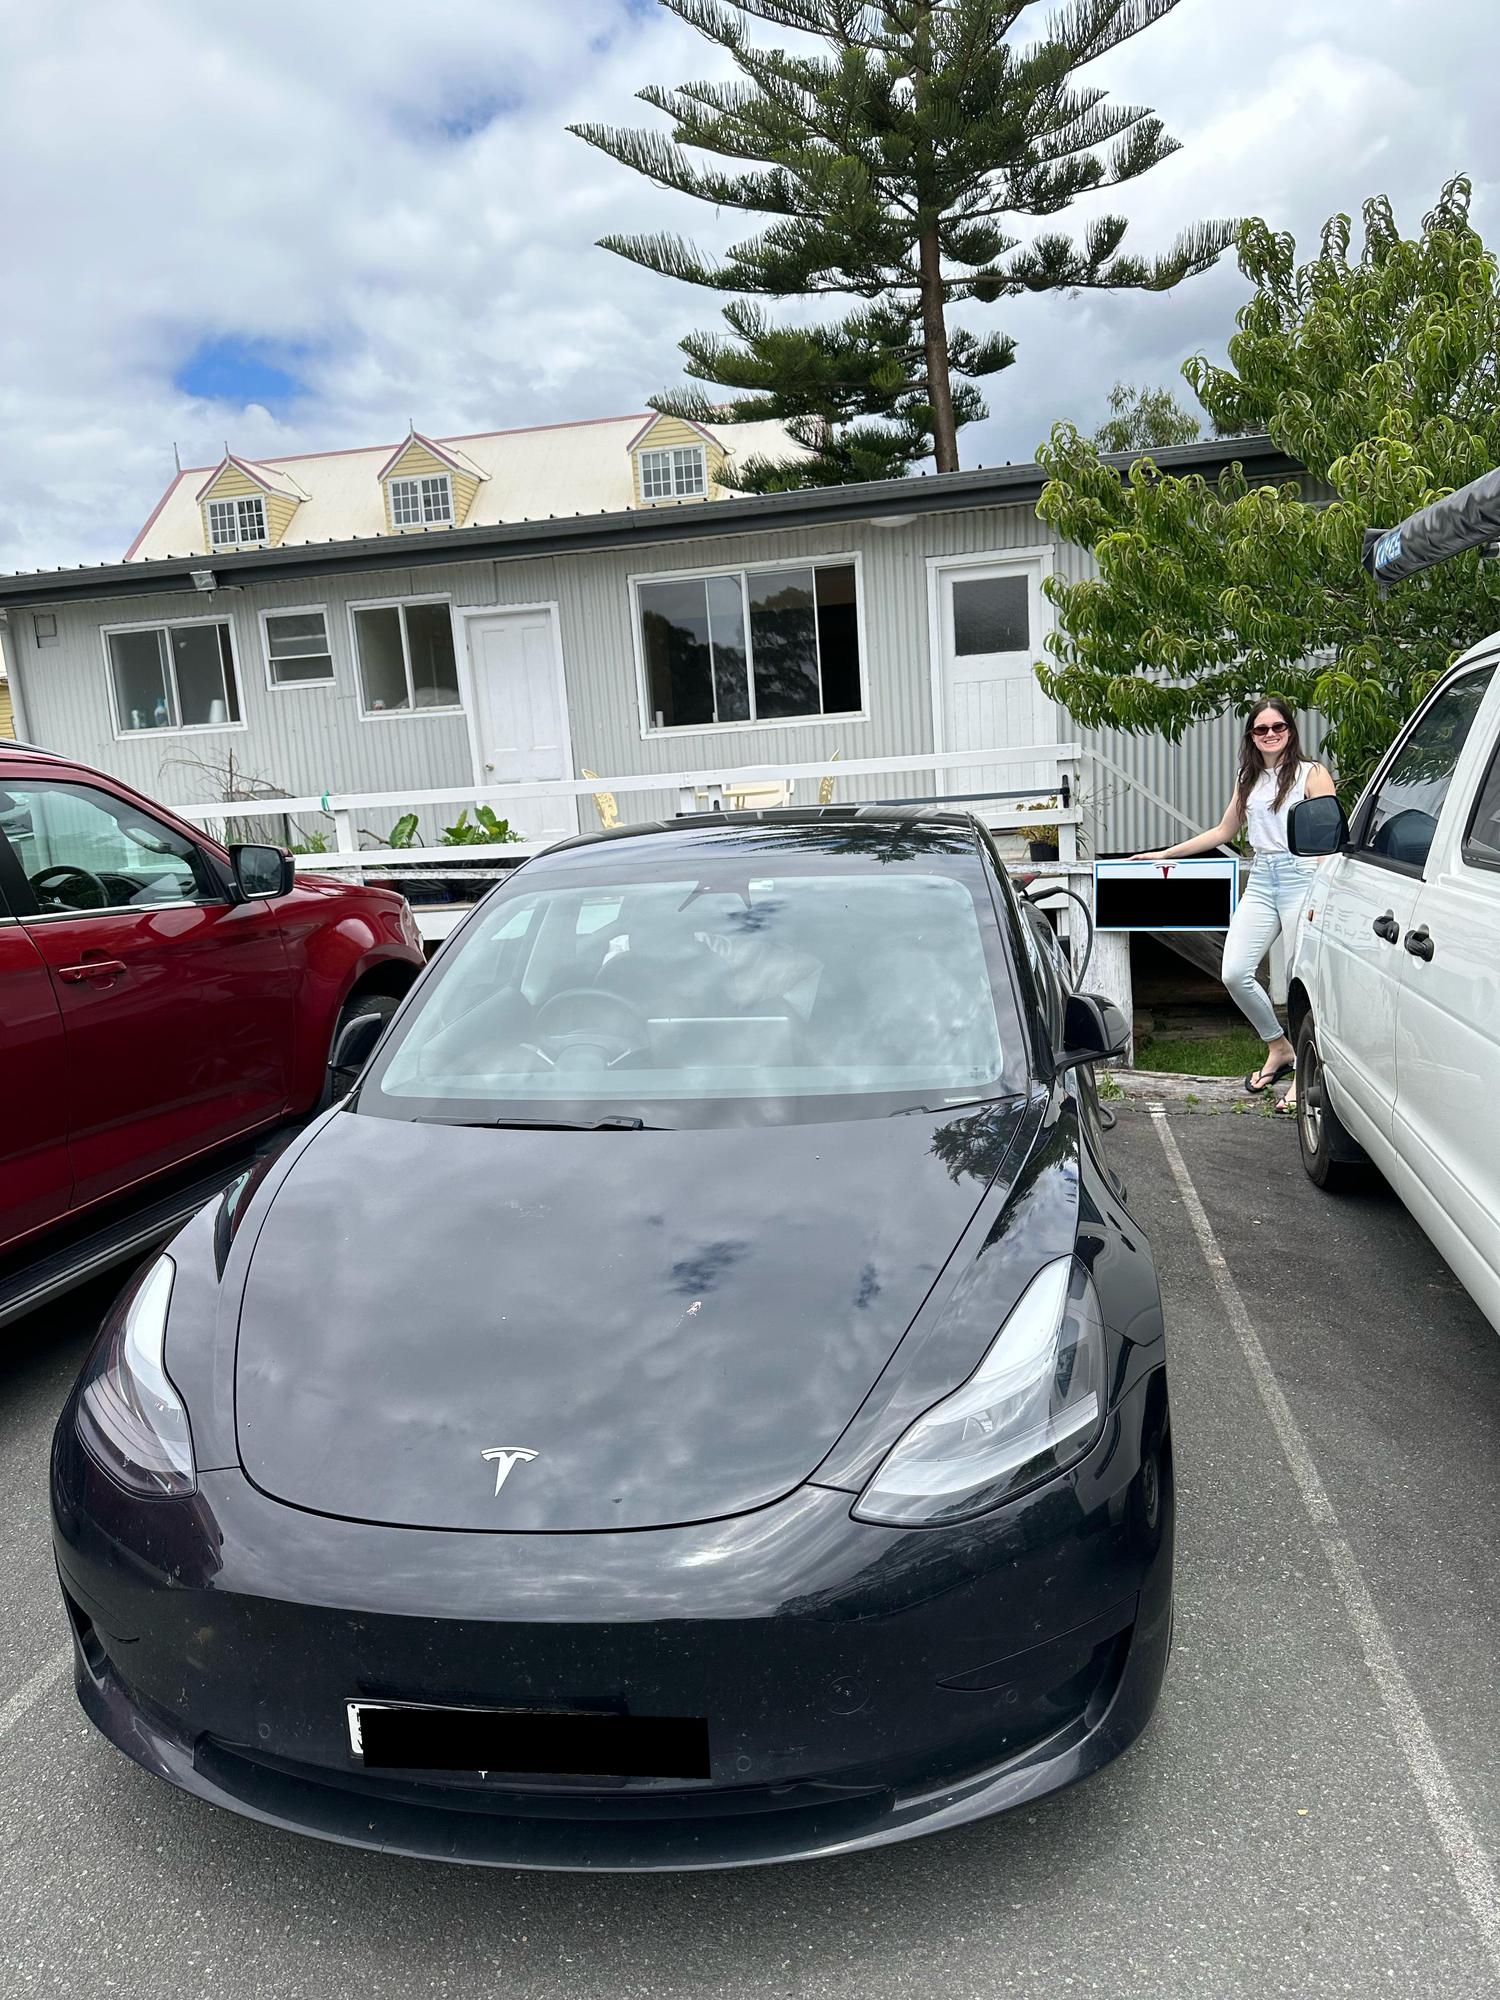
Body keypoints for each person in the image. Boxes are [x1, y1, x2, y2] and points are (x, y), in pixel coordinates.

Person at [1134, 699, 1336, 1109]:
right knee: (1234, 972)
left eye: (1277, 726)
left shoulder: (1311, 773)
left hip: (1303, 877)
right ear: (1251, 737)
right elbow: (1225, 830)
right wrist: (1167, 854)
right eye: (1261, 729)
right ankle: (1279, 1048)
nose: (1270, 734)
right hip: (1263, 879)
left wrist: (1322, 885)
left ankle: (1306, 1073)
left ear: (1290, 730)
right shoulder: (1249, 778)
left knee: (1303, 984)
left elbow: (1329, 831)